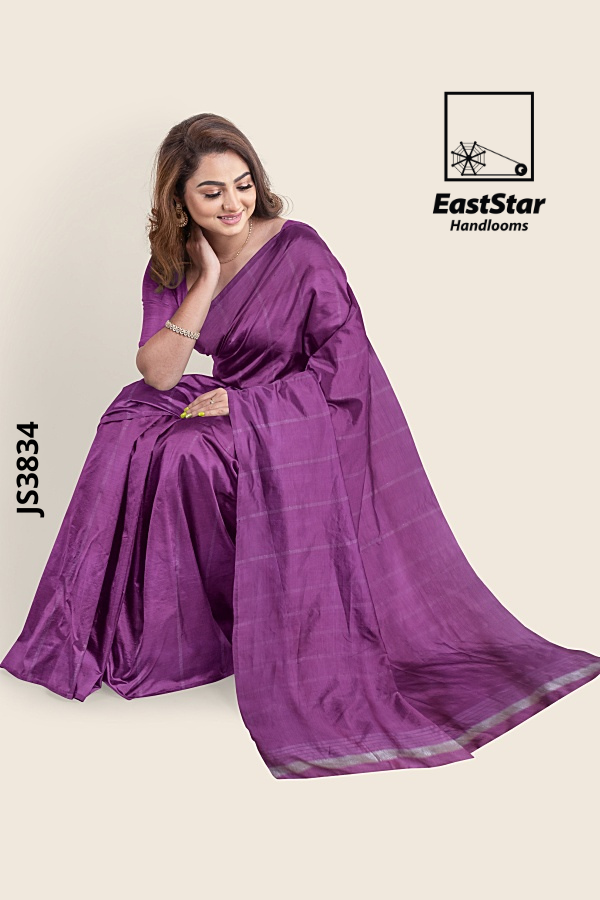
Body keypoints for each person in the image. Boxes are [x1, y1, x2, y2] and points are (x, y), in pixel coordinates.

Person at [2, 113, 599, 780]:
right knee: (129, 420)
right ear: (179, 200)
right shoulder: (174, 263)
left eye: (242, 184)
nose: (233, 204)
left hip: (306, 416)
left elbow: (346, 366)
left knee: (187, 450)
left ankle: (212, 633)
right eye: (211, 192)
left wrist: (247, 406)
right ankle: (143, 629)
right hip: (232, 396)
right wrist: (204, 279)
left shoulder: (300, 250)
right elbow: (160, 372)